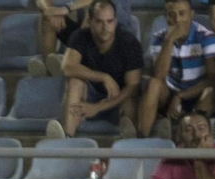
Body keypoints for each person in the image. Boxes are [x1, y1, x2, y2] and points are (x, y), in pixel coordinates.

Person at [42, 0, 143, 138]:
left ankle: (130, 146)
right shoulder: (81, 36)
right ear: (90, 21)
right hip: (90, 93)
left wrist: (98, 107)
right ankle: (66, 139)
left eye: (109, 21)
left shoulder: (129, 42)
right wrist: (103, 77)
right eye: (99, 22)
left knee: (131, 101)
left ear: (115, 21)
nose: (105, 27)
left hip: (117, 97)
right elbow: (67, 67)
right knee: (74, 82)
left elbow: (133, 87)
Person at [138, 0, 215, 138]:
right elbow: (158, 75)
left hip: (196, 94)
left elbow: (213, 79)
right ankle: (142, 141)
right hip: (169, 95)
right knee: (153, 84)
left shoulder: (206, 36)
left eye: (182, 14)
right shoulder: (159, 38)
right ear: (166, 18)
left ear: (191, 14)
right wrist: (169, 41)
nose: (177, 20)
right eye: (172, 15)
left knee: (211, 92)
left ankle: (186, 133)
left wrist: (181, 96)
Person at [32, 0, 133, 73]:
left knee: (93, 15)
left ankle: (68, 63)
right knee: (47, 19)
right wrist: (50, 11)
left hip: (112, 33)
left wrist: (66, 9)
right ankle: (50, 68)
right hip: (83, 32)